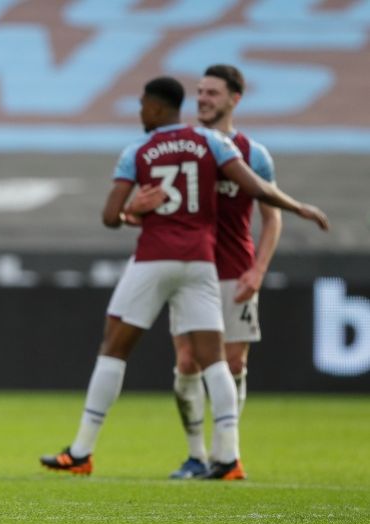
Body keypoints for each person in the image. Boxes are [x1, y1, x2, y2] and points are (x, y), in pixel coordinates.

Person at [39, 76, 328, 480]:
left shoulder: (139, 149)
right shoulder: (211, 143)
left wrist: (129, 212)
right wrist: (298, 206)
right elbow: (255, 187)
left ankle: (82, 450)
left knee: (114, 348)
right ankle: (227, 457)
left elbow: (109, 217)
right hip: (200, 264)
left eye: (142, 105)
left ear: (157, 108)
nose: (140, 112)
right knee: (214, 361)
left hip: (154, 259)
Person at [165, 65, 281, 480]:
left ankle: (224, 452)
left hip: (235, 270)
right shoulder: (181, 148)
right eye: (199, 92)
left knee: (232, 362)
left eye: (212, 92)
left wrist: (259, 269)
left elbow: (272, 218)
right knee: (187, 361)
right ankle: (196, 455)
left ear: (235, 98)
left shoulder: (254, 154)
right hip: (188, 270)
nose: (203, 99)